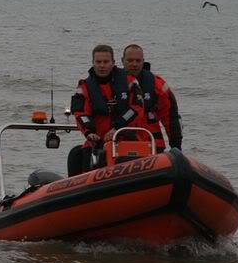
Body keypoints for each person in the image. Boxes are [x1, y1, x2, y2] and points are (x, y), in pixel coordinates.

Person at [68, 44, 146, 176]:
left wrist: (117, 127)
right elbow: (80, 113)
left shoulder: (129, 81)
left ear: (113, 63)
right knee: (80, 156)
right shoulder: (85, 86)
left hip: (125, 138)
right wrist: (89, 132)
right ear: (93, 63)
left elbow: (136, 108)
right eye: (98, 62)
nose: (102, 65)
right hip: (97, 140)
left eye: (106, 62)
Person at [121, 44, 183, 152]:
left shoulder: (156, 84)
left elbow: (170, 116)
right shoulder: (113, 83)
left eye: (138, 60)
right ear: (123, 61)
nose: (134, 64)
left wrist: (176, 146)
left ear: (143, 61)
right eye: (130, 60)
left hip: (151, 142)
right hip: (121, 142)